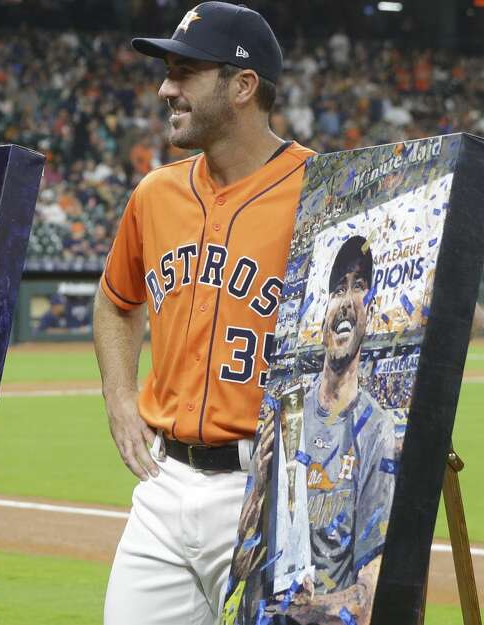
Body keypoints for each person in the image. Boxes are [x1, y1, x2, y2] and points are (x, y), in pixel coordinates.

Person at [92, 3, 316, 623]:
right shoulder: (156, 193)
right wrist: (118, 394)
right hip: (164, 485)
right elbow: (116, 301)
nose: (166, 88)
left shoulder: (321, 194)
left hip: (271, 488)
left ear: (243, 86)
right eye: (168, 71)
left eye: (186, 72)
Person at [286, 236, 394, 622]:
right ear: (324, 310)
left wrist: (306, 608)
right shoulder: (289, 415)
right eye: (337, 289)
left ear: (372, 308)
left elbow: (369, 595)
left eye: (359, 286)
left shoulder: (375, 431)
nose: (346, 299)